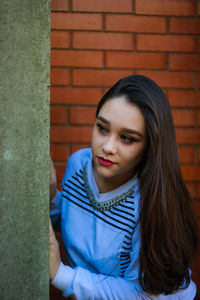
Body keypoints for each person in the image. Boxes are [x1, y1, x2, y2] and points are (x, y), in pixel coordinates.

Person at [49, 75, 199, 299]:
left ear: (150, 146)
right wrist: (51, 195)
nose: (108, 147)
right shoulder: (78, 163)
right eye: (102, 128)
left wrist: (60, 274)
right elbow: (77, 221)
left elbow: (141, 294)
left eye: (127, 138)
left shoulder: (150, 201)